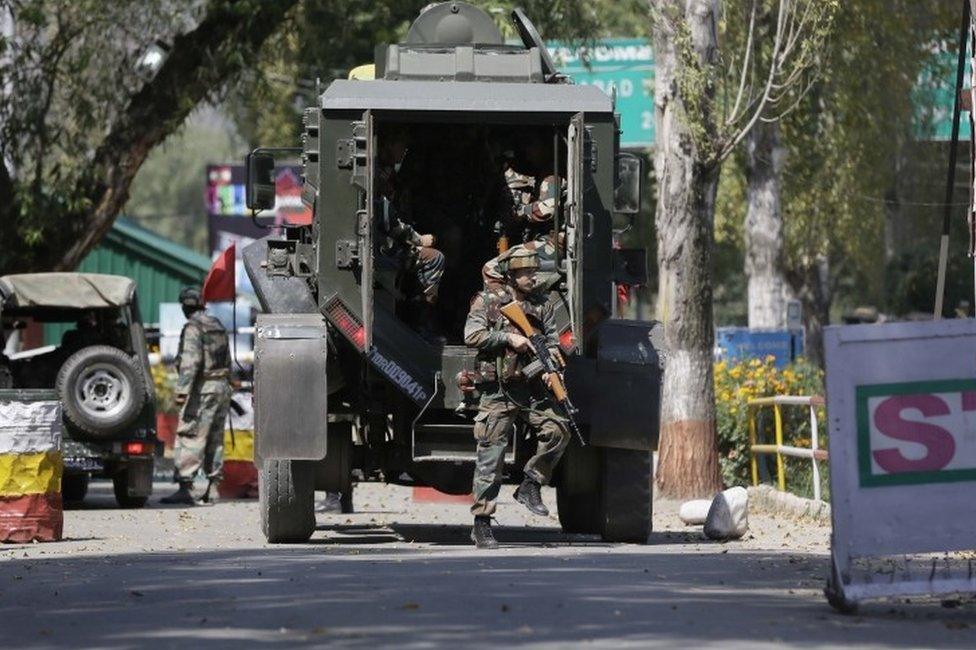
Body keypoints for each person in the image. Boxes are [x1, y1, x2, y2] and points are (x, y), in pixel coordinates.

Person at [463, 249, 570, 549]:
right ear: (511, 274)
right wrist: (508, 338)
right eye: (525, 272)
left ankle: (531, 483)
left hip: (531, 387)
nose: (532, 276)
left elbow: (551, 343)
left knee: (559, 429)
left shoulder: (543, 304)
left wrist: (551, 371)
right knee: (491, 456)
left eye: (534, 271)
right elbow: (471, 335)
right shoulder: (488, 301)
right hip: (498, 389)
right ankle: (481, 523)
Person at [160, 287, 233, 505]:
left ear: (185, 306)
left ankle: (185, 486)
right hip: (221, 387)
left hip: (203, 389)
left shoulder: (193, 327)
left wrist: (182, 392)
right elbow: (227, 359)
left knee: (190, 434)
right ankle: (212, 488)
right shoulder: (216, 325)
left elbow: (190, 364)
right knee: (215, 438)